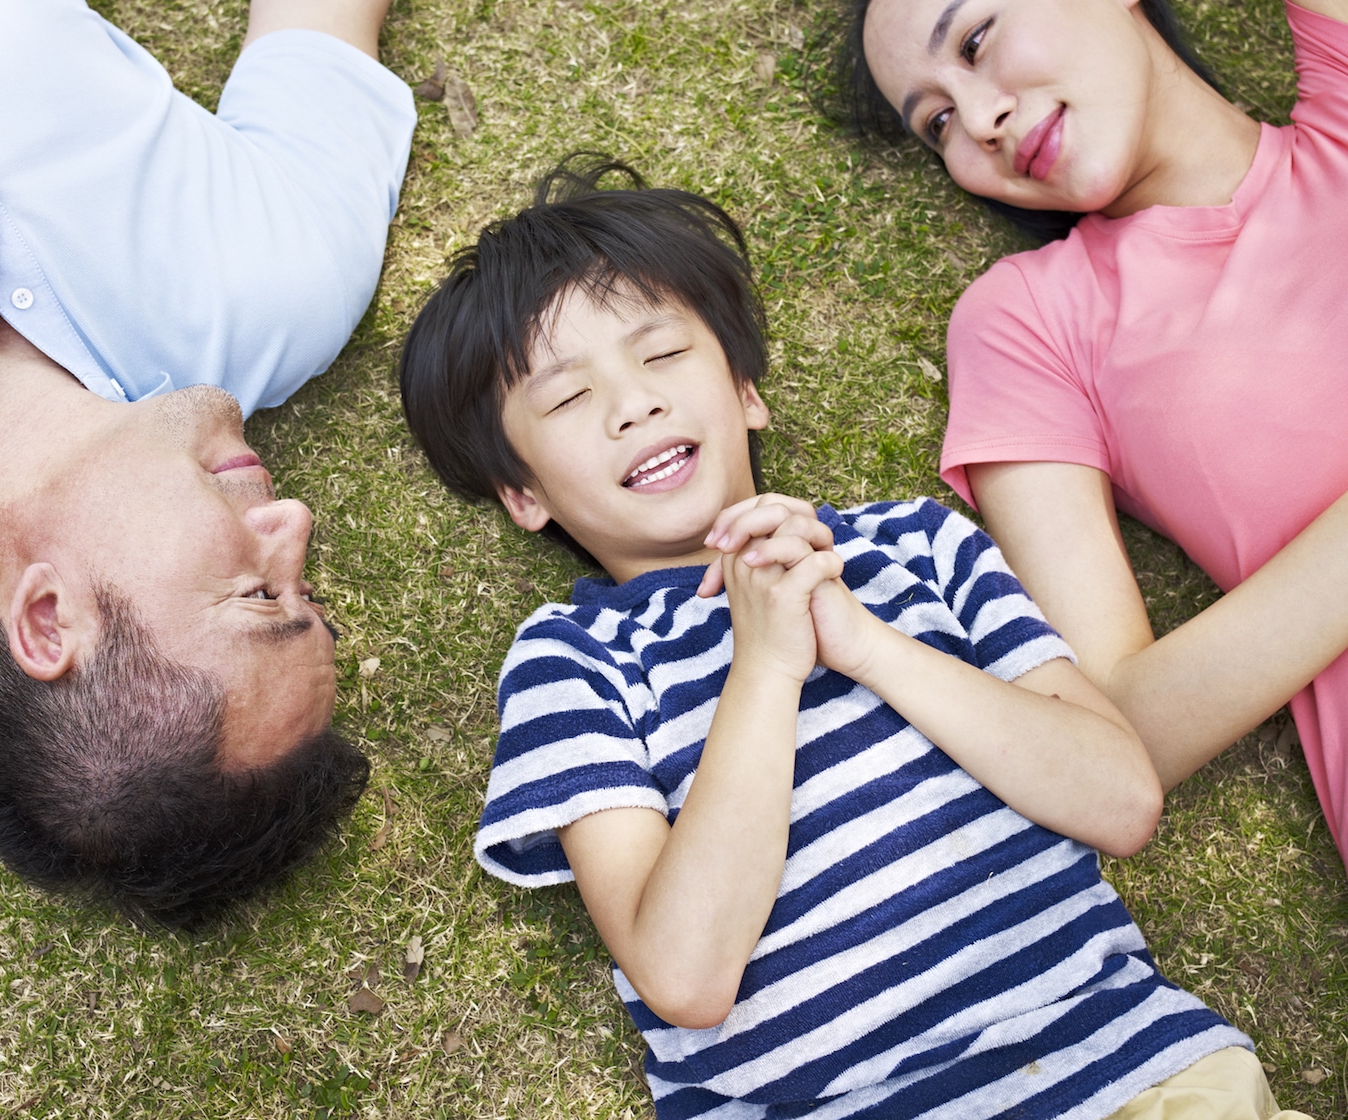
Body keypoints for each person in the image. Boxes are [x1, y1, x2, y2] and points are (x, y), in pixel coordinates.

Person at [396, 160, 1306, 1120]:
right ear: (524, 494)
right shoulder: (570, 661)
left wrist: (867, 643)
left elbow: (1121, 801)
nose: (635, 404)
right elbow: (685, 973)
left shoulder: (917, 546)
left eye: (661, 355)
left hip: (1133, 1074)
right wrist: (765, 667)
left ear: (745, 389)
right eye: (568, 400)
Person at [0, 0, 416, 926]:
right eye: (304, 591)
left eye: (260, 597)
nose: (294, 525)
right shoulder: (275, 288)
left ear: (49, 619)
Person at [847, 0, 1348, 872]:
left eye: (975, 40)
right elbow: (1117, 734)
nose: (980, 120)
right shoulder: (1031, 322)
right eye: (937, 124)